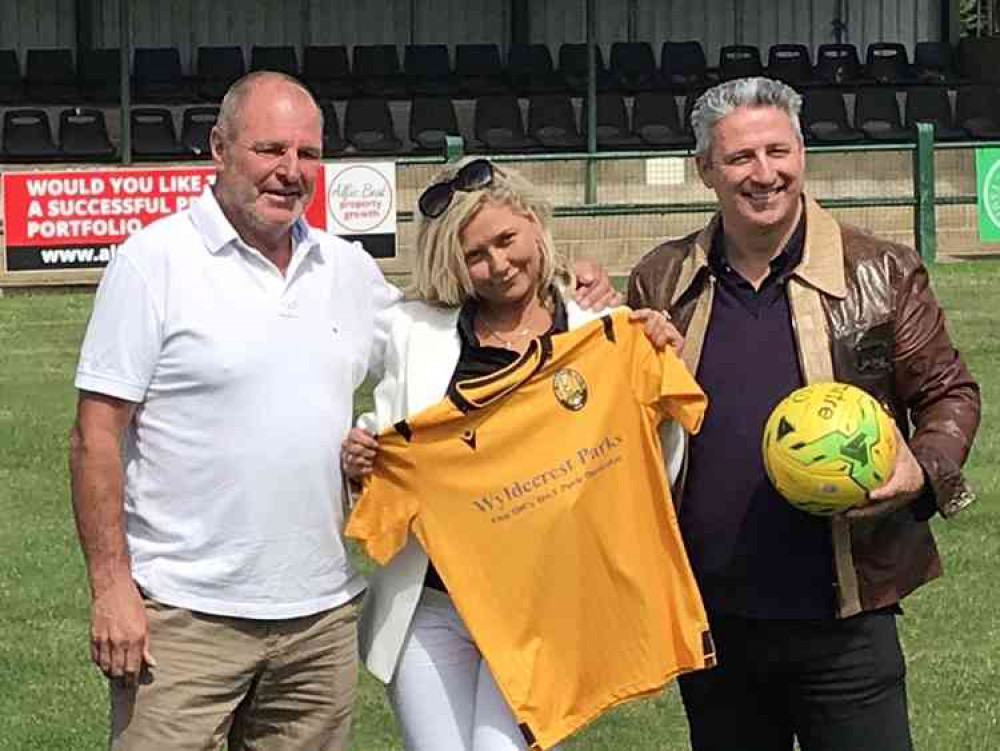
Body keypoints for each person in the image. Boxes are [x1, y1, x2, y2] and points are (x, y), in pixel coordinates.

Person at [69, 73, 616, 750]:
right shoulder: (154, 261)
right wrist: (111, 587)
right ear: (219, 146)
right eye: (270, 149)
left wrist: (574, 291)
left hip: (318, 619)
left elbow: (456, 337)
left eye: (306, 153)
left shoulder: (346, 269)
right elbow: (96, 434)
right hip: (185, 616)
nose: (289, 171)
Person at [627, 76, 981, 751]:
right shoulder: (662, 280)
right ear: (705, 170)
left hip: (847, 618)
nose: (764, 173)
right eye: (740, 159)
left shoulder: (881, 270)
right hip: (714, 619)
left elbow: (949, 392)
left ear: (802, 153)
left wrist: (922, 466)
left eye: (778, 151)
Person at [341, 157, 683, 751]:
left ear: (534, 223)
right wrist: (359, 457)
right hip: (432, 606)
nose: (498, 265)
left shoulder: (600, 329)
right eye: (476, 255)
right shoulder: (412, 331)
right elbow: (388, 438)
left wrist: (654, 364)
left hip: (542, 610)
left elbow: (650, 458)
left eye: (506, 240)